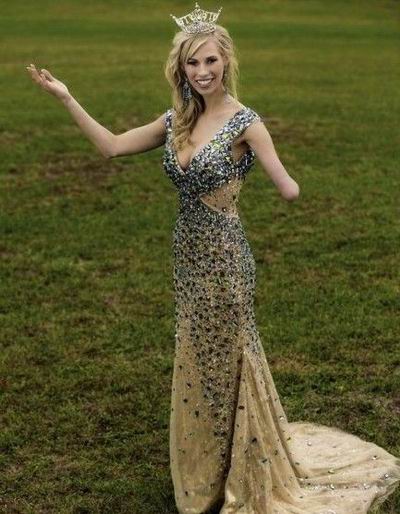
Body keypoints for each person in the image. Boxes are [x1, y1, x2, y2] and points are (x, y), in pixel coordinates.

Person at [26, 3, 400, 513]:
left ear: (226, 61)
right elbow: (111, 147)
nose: (202, 72)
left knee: (232, 358)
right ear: (180, 68)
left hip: (226, 258)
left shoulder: (247, 123)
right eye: (192, 63)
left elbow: (288, 186)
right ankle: (209, 468)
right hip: (187, 255)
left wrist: (274, 174)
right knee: (200, 359)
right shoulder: (176, 121)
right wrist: (67, 97)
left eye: (210, 61)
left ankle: (247, 469)